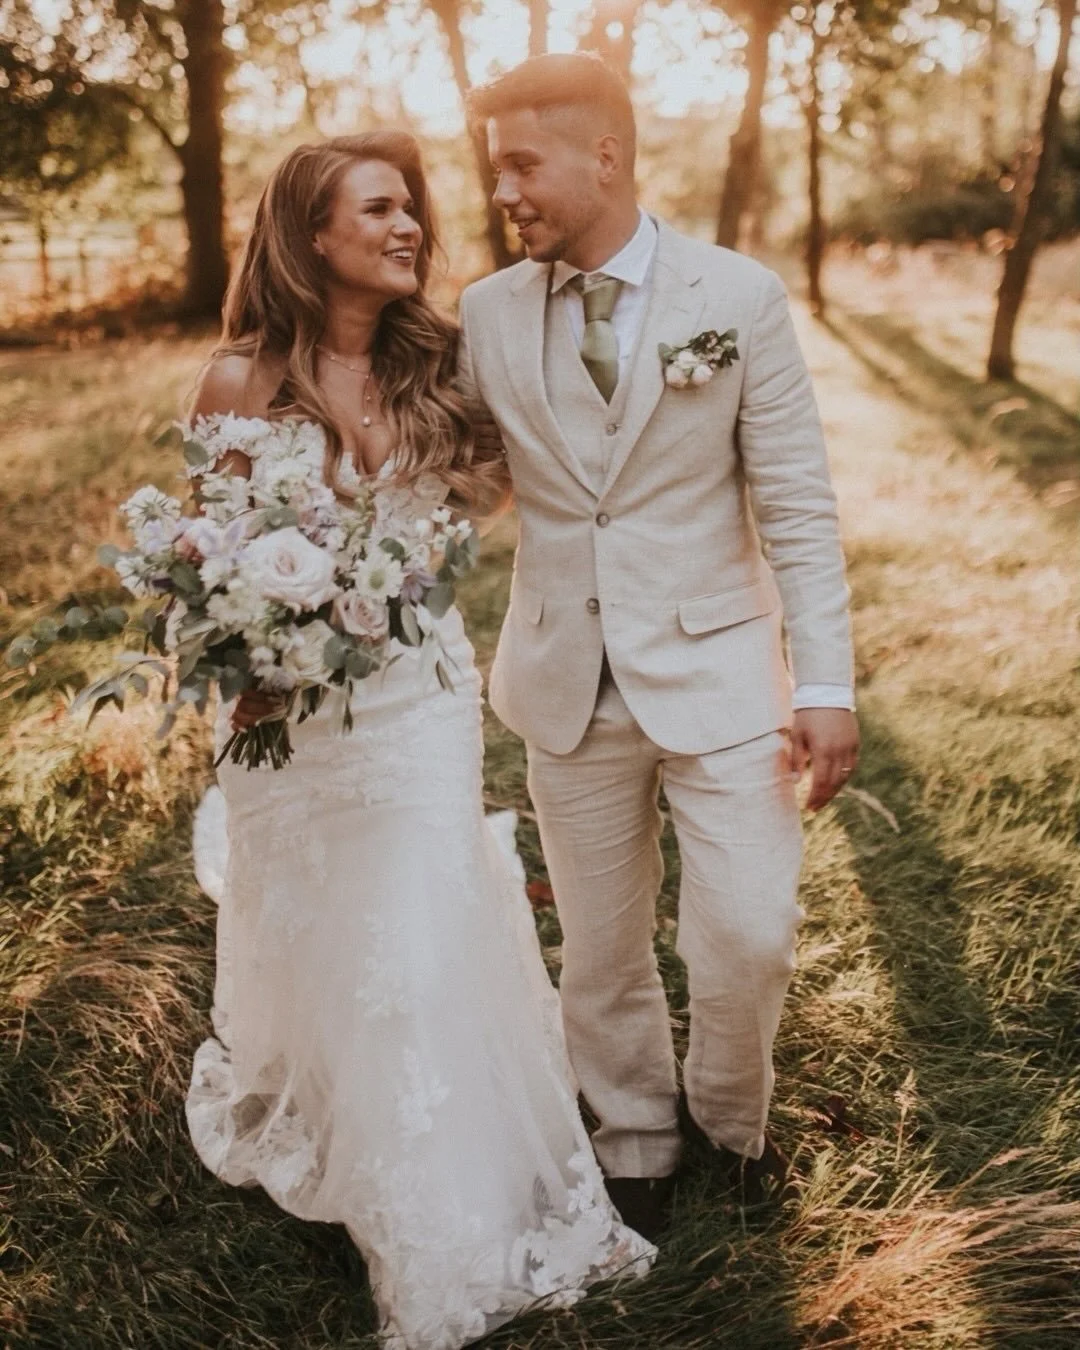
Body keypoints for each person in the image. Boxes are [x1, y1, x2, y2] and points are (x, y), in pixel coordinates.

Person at [182, 131, 653, 1350]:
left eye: (410, 209)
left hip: (416, 697)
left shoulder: (443, 363)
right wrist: (253, 653)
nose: (410, 228)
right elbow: (202, 556)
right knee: (333, 936)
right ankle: (353, 1126)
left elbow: (515, 494)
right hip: (287, 717)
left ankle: (448, 1224)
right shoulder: (238, 380)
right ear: (311, 233)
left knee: (417, 930)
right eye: (379, 208)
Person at [458, 54, 860, 1241]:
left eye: (521, 167)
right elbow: (455, 480)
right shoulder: (486, 314)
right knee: (599, 945)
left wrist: (825, 682)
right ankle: (632, 1137)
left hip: (723, 672)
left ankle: (730, 1125)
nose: (503, 193)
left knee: (750, 931)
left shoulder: (737, 298)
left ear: (605, 158)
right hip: (564, 679)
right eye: (495, 171)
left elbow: (797, 503)